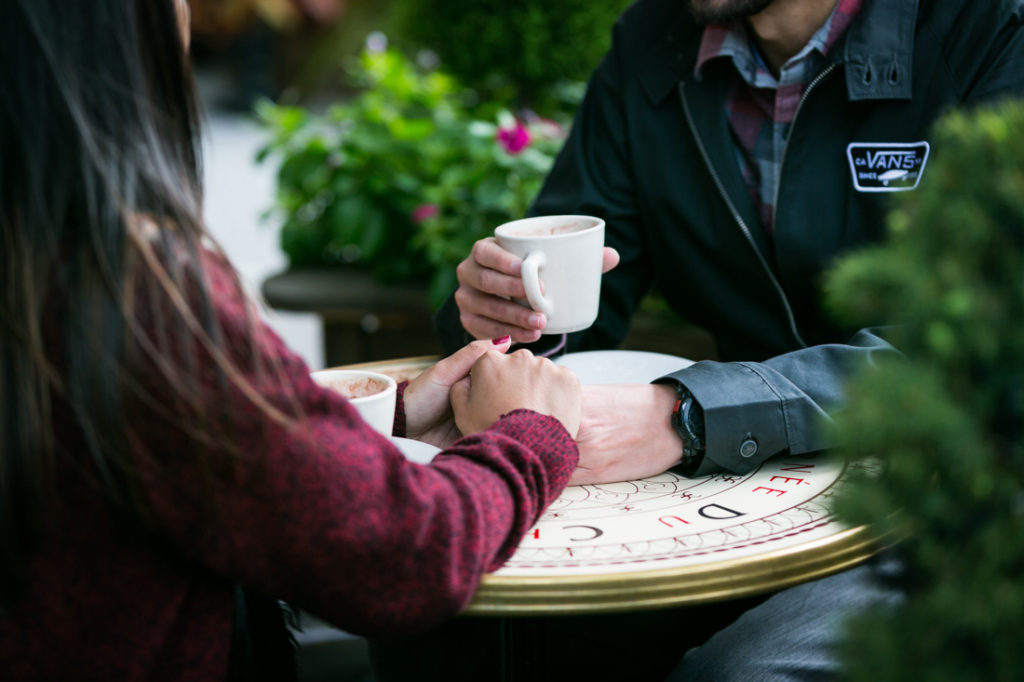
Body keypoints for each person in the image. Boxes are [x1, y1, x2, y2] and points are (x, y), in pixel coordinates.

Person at [0, 1, 645, 679]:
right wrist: (530, 433)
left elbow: (199, 461)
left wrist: (387, 416)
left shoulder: (37, 261)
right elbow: (405, 558)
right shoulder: (128, 287)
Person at [415, 0, 1024, 680]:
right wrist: (510, 313)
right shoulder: (653, 39)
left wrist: (687, 414)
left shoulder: (991, 26)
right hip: (762, 483)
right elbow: (582, 289)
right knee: (451, 610)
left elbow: (992, 343)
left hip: (972, 492)